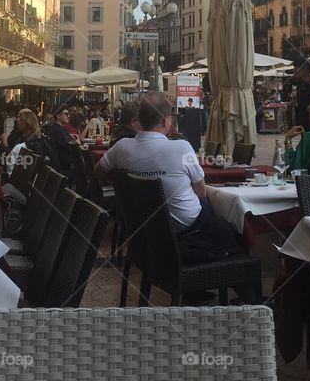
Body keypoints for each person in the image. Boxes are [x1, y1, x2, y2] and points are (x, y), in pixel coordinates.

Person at [94, 92, 240, 264]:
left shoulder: (121, 148)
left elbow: (98, 172)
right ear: (165, 120)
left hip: (146, 231)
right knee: (232, 231)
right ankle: (217, 276)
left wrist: (120, 179)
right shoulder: (182, 147)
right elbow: (201, 193)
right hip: (186, 228)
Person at [4, 109, 43, 177]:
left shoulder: (26, 141)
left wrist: (5, 143)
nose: (17, 120)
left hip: (19, 179)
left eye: (21, 119)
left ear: (28, 123)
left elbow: (11, 161)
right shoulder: (35, 137)